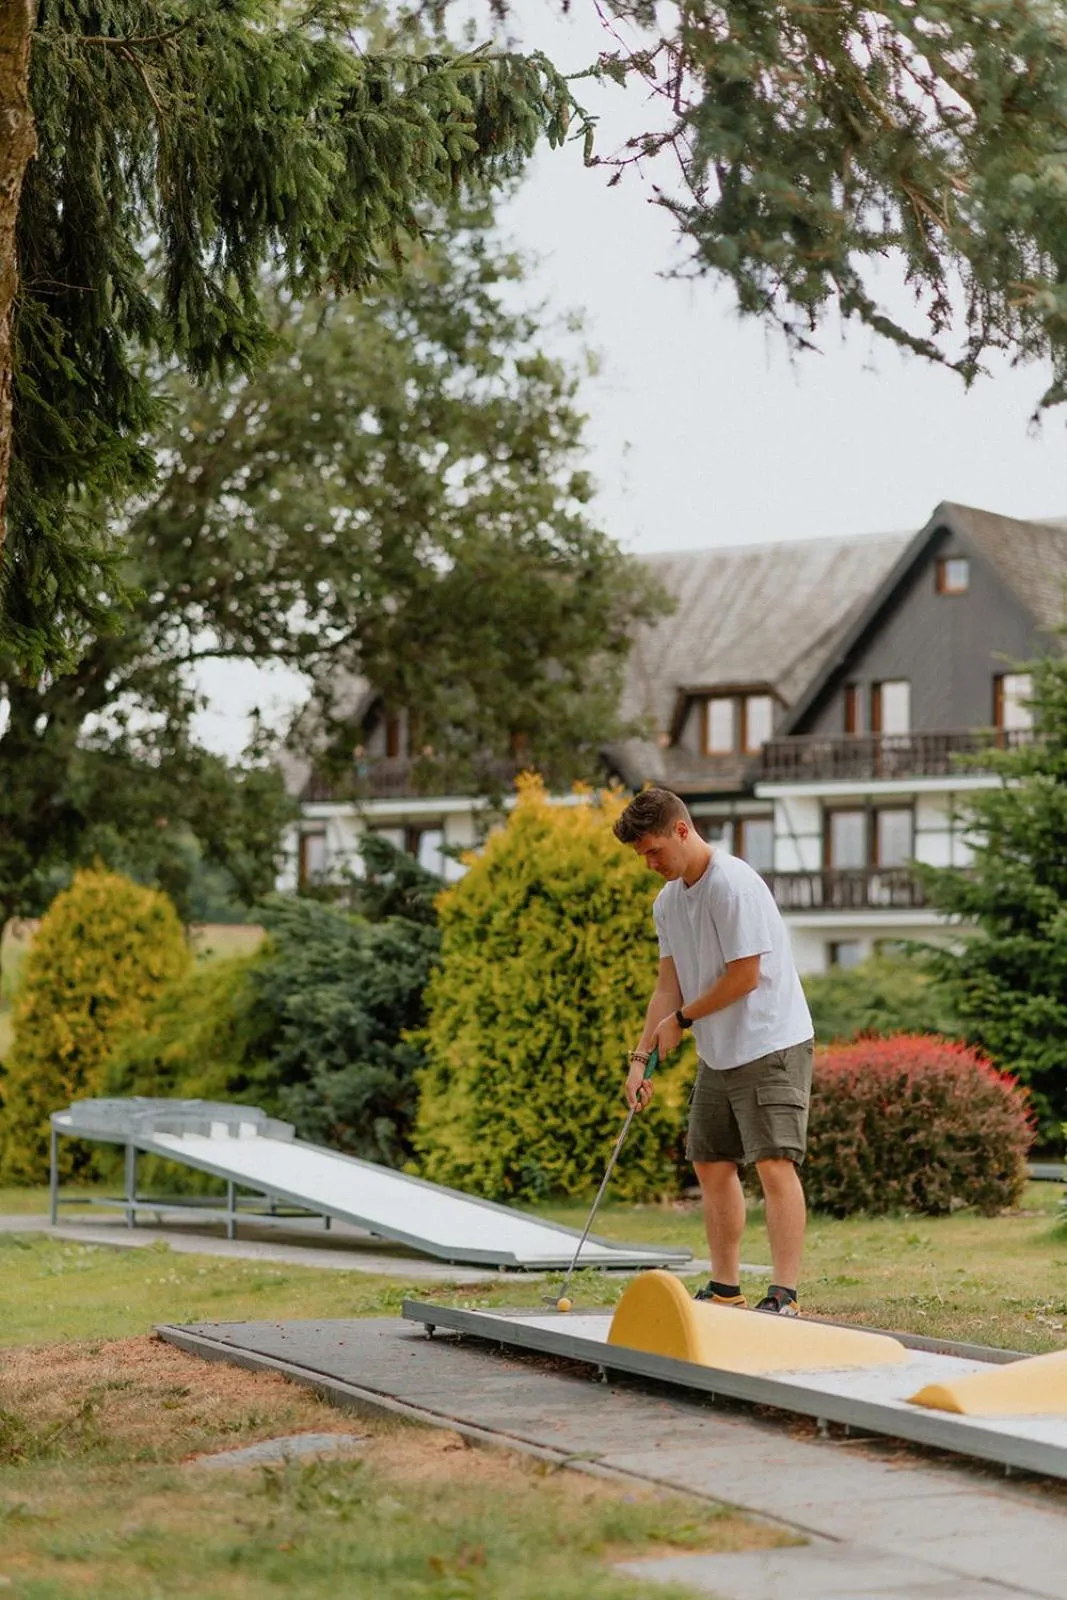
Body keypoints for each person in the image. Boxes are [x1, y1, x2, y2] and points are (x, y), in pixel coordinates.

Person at [614, 786, 814, 1315]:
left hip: (770, 1041)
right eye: (642, 856)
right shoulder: (668, 902)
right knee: (711, 1163)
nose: (649, 863)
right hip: (719, 1052)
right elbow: (666, 987)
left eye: (654, 850)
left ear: (682, 830)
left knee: (773, 1163)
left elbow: (744, 977)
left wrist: (681, 1021)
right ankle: (726, 1285)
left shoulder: (734, 885)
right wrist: (640, 1060)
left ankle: (784, 1294)